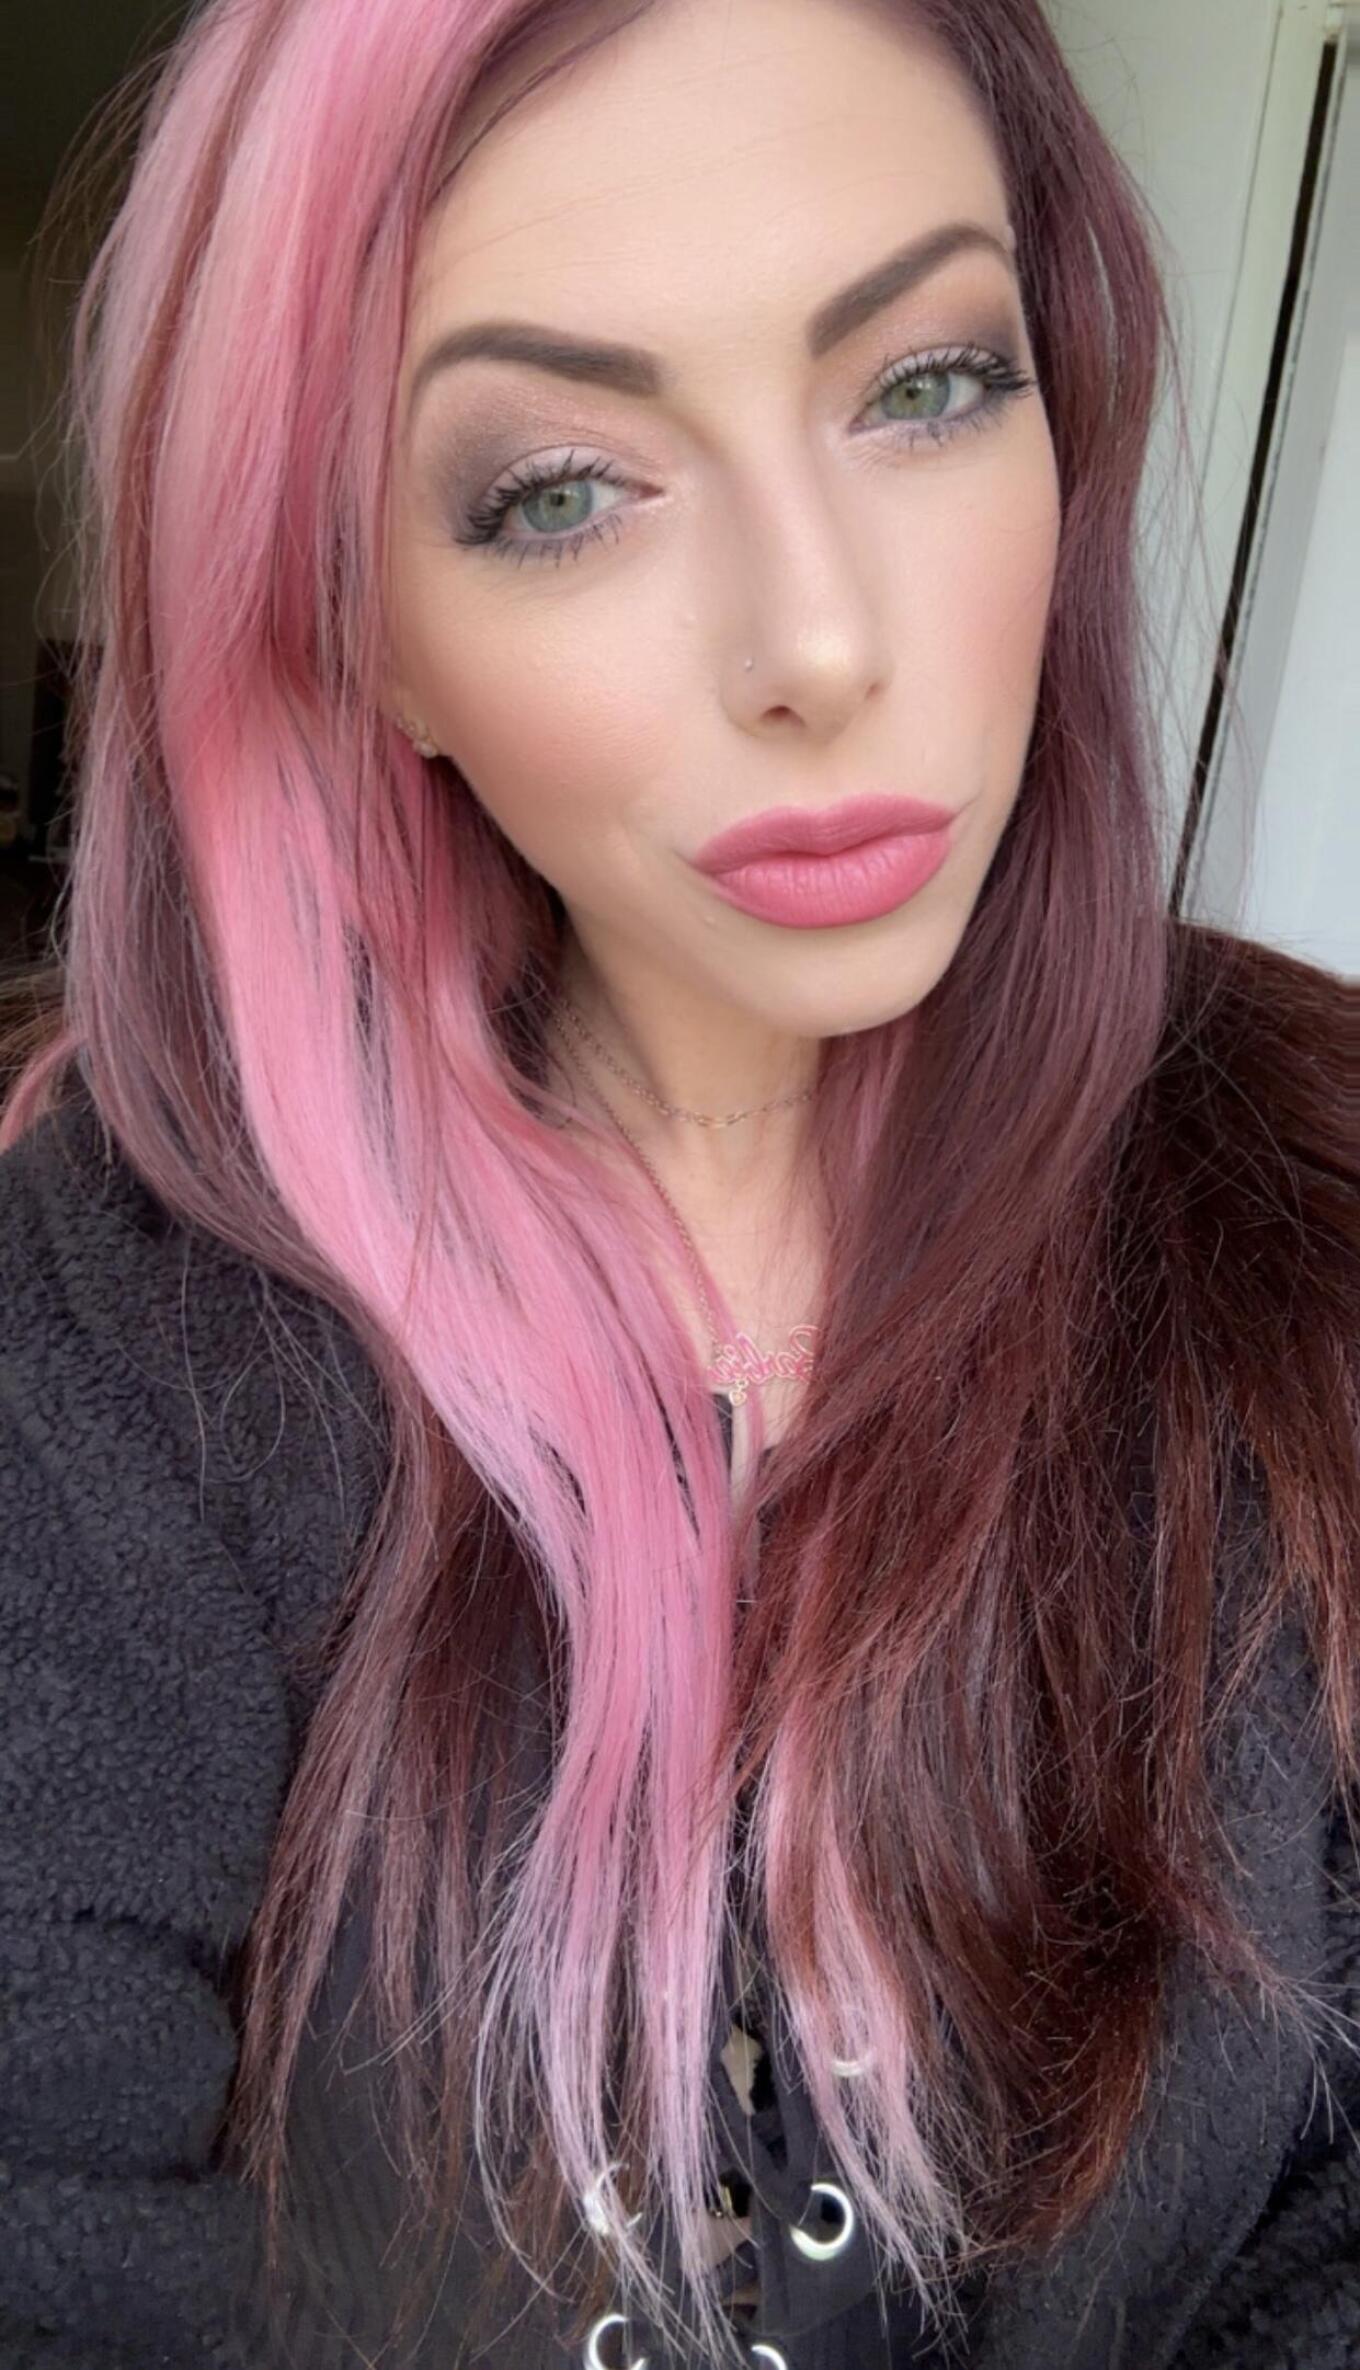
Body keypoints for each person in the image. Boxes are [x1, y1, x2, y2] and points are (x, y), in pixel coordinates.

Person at [0, 0, 1356, 2364]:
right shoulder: (128, 1302)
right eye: (557, 491)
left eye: (923, 384)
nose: (817, 642)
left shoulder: (1309, 1184)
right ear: (365, 641)